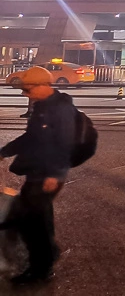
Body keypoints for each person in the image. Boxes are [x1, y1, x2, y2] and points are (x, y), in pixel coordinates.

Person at [0, 66, 77, 285]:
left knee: (31, 220)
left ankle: (40, 269)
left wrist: (55, 174)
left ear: (42, 86)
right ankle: (47, 256)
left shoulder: (60, 110)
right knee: (39, 219)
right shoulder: (42, 107)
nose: (25, 94)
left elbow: (65, 144)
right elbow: (31, 137)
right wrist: (4, 152)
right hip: (37, 171)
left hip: (47, 174)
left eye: (27, 89)